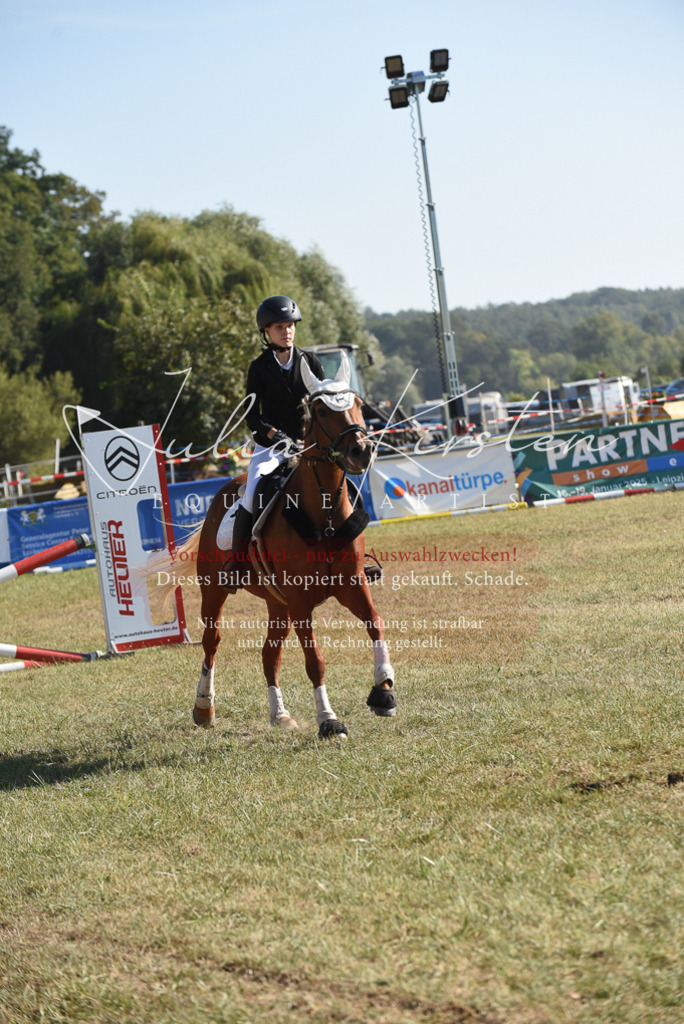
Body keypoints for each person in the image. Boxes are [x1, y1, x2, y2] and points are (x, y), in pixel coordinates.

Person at [226, 295, 325, 582]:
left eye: (290, 325)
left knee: (342, 484)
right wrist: (274, 434)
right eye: (280, 327)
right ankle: (237, 562)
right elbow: (252, 416)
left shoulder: (311, 361)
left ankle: (354, 556)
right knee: (251, 492)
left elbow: (321, 405)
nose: (287, 331)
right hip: (272, 447)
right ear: (266, 332)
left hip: (309, 444)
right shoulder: (259, 368)